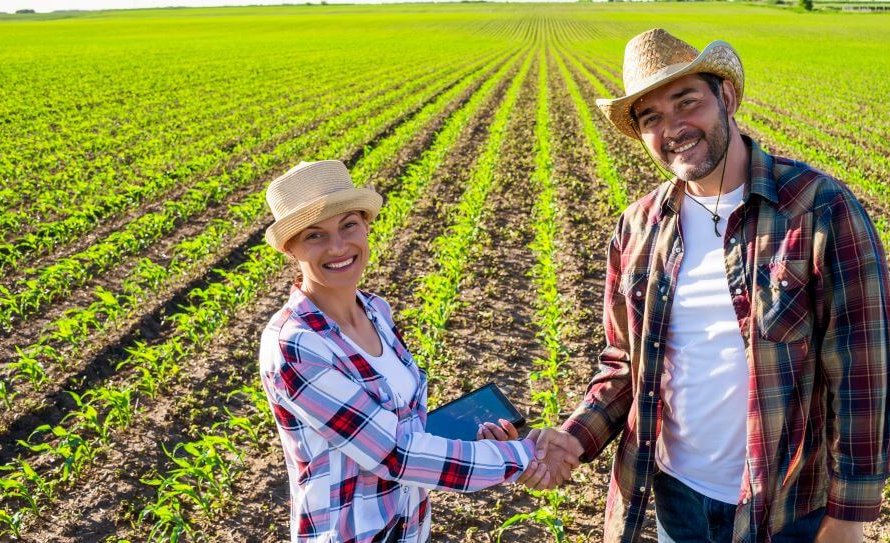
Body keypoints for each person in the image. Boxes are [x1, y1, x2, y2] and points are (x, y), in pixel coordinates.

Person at [520, 29, 889, 543]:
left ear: (728, 97)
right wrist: (572, 439)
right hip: (678, 500)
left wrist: (849, 517)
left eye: (686, 101)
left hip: (787, 507)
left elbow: (863, 372)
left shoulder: (820, 208)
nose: (673, 127)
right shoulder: (639, 227)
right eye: (651, 118)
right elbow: (626, 363)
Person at [257, 160, 574, 543]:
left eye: (348, 225)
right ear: (290, 248)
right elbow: (395, 455)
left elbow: (404, 426)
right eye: (314, 236)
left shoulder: (375, 310)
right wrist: (524, 457)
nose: (338, 246)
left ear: (366, 226)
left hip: (408, 528)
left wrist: (475, 440)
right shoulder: (295, 344)